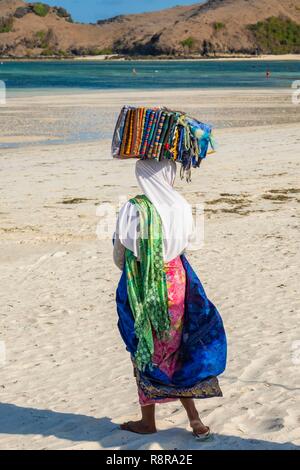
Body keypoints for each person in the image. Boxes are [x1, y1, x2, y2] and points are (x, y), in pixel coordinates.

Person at [113, 159, 226, 439]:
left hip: (141, 282)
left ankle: (147, 421)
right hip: (176, 279)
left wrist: (137, 268)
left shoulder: (134, 207)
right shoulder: (180, 205)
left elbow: (120, 253)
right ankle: (195, 421)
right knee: (177, 347)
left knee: (142, 346)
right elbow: (185, 243)